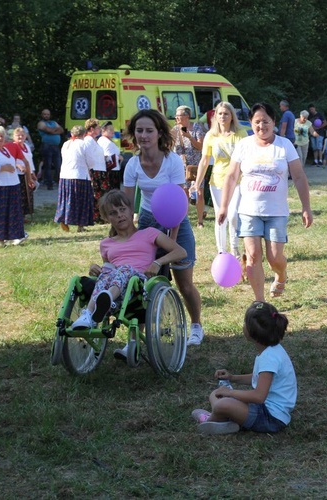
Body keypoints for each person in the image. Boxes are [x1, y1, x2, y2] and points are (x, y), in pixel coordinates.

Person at [122, 109, 206, 346]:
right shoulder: (132, 165)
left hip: (177, 222)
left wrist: (172, 244)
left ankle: (197, 325)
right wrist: (128, 239)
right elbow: (128, 205)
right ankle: (137, 336)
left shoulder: (171, 162)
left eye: (149, 130)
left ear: (159, 133)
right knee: (143, 283)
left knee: (184, 283)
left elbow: (176, 205)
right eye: (139, 130)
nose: (144, 136)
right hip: (148, 222)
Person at [218, 102, 313, 301]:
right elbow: (231, 176)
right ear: (251, 124)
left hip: (277, 212)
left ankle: (280, 274)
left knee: (275, 258)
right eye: (257, 122)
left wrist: (306, 207)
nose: (261, 126)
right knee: (252, 257)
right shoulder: (244, 145)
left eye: (266, 121)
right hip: (249, 211)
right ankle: (259, 302)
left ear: (274, 122)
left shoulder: (284, 145)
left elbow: (298, 176)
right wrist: (224, 206)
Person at [70, 190, 187, 330]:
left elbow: (181, 252)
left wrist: (157, 262)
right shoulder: (106, 243)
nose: (119, 215)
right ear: (107, 218)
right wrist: (96, 268)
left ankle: (106, 300)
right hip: (116, 285)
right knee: (107, 268)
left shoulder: (149, 233)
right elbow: (109, 270)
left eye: (122, 209)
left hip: (139, 284)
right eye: (113, 213)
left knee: (125, 269)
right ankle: (89, 314)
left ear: (131, 211)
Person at [191, 301, 296, 435]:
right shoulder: (270, 351)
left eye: (245, 322)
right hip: (264, 410)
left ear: (252, 333)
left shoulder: (269, 358)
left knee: (222, 404)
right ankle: (224, 421)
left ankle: (210, 421)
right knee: (216, 394)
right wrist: (232, 378)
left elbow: (259, 396)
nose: (243, 325)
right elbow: (258, 378)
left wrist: (230, 393)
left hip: (271, 418)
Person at [193, 101, 248, 256]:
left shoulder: (241, 134)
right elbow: (204, 160)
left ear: (232, 116)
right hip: (217, 182)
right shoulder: (211, 135)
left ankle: (235, 248)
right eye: (220, 113)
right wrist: (197, 183)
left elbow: (247, 158)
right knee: (220, 217)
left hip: (237, 181)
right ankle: (222, 252)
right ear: (215, 116)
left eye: (226, 113)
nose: (223, 116)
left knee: (233, 215)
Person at [54, 126, 95, 233]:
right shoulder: (83, 144)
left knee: (66, 199)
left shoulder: (66, 144)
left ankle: (64, 219)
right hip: (79, 175)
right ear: (84, 134)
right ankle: (80, 226)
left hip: (65, 175)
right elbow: (91, 161)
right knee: (81, 201)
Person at [173, 105, 206, 227]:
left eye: (179, 115)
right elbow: (169, 145)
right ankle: (184, 220)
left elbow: (200, 147)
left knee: (199, 193)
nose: (176, 117)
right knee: (184, 193)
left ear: (186, 116)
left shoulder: (197, 127)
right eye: (176, 115)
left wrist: (190, 137)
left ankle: (200, 221)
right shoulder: (175, 129)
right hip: (182, 166)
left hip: (197, 165)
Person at [4, 127, 36, 221]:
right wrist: (18, 166)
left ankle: (25, 215)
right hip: (17, 174)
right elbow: (9, 159)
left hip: (27, 173)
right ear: (14, 136)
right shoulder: (12, 146)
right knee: (19, 195)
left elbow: (29, 160)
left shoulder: (26, 146)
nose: (20, 137)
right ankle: (17, 215)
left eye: (22, 135)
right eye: (18, 135)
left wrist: (32, 172)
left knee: (28, 194)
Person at [84, 119, 108, 223]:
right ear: (92, 129)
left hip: (99, 169)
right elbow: (88, 156)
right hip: (95, 170)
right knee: (96, 194)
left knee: (100, 194)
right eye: (98, 128)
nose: (100, 130)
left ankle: (100, 216)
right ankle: (96, 217)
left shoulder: (94, 140)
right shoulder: (88, 140)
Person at [37, 109, 64, 190]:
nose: (46, 116)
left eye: (48, 114)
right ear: (42, 115)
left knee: (58, 165)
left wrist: (52, 131)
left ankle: (60, 183)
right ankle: (49, 184)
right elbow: (48, 130)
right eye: (44, 114)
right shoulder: (41, 123)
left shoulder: (53, 122)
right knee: (48, 165)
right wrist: (56, 130)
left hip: (56, 146)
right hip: (47, 146)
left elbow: (61, 130)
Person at [98, 121, 122, 191]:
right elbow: (106, 158)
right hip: (110, 172)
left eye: (113, 129)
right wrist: (118, 158)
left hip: (114, 170)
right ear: (103, 130)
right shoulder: (105, 142)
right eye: (110, 129)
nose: (113, 131)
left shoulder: (107, 140)